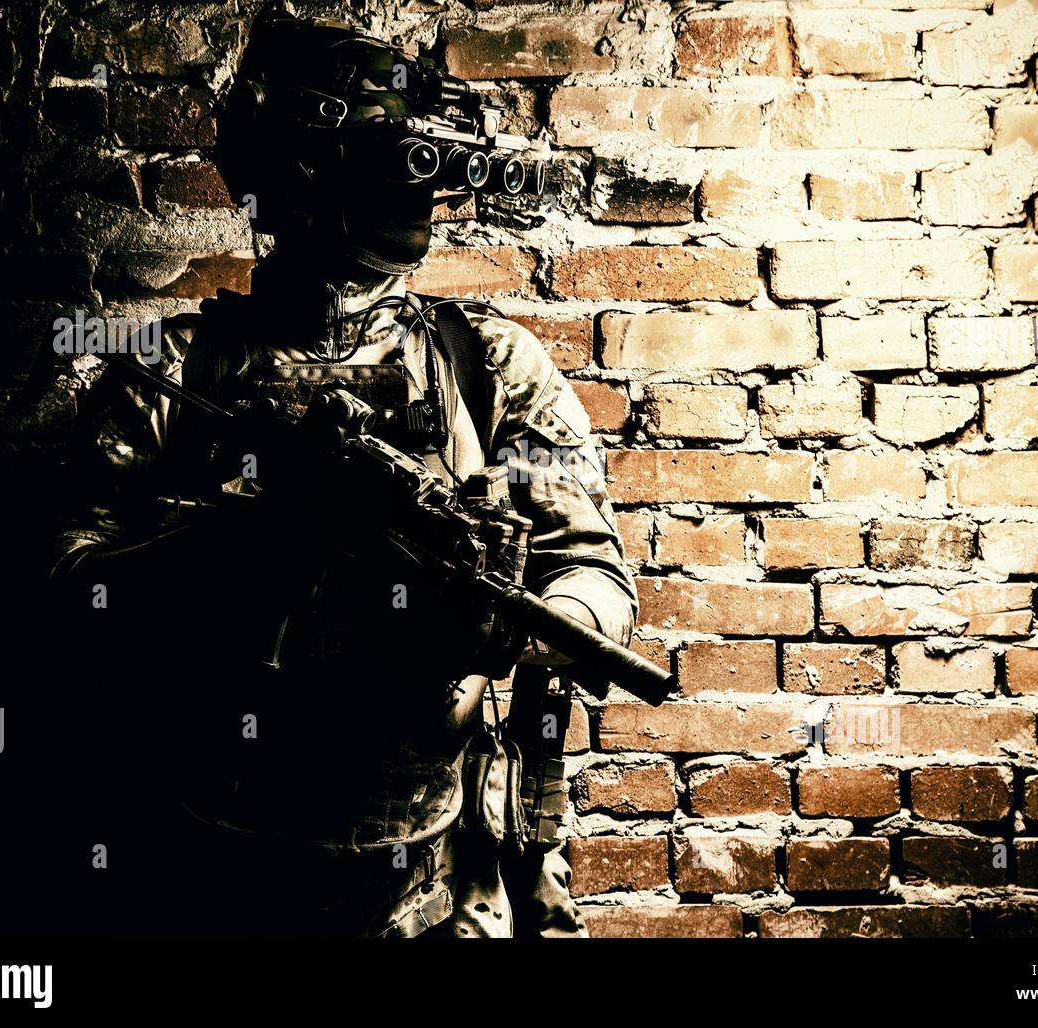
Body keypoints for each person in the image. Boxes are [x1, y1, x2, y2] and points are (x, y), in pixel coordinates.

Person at [49, 7, 637, 938]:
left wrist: (503, 632)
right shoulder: (171, 375)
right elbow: (66, 600)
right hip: (205, 862)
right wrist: (244, 547)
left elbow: (598, 582)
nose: (416, 194)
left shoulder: (489, 367)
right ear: (301, 171)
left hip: (433, 874)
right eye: (386, 158)